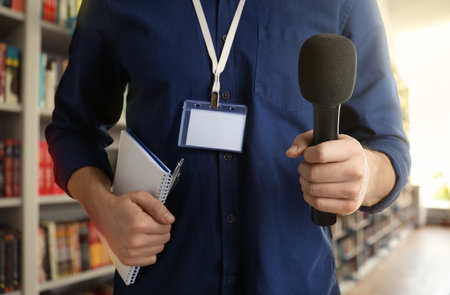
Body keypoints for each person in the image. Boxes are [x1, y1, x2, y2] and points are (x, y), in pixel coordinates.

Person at [46, 0, 411, 294]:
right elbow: (72, 128)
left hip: (293, 281)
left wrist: (365, 174)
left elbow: (388, 147)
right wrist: (102, 208)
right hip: (163, 280)